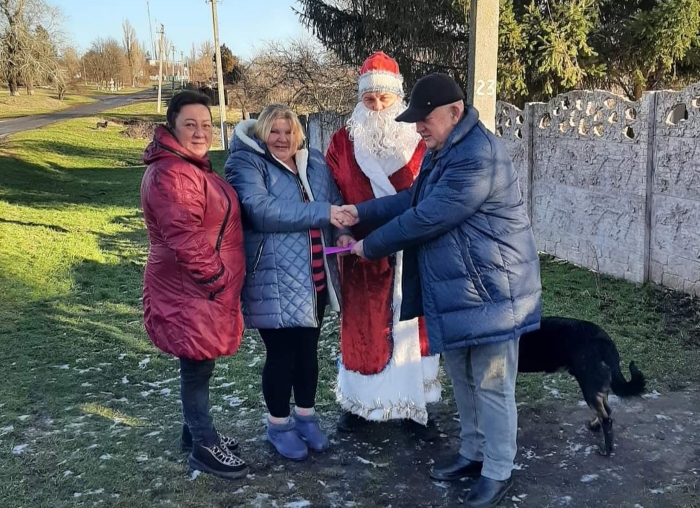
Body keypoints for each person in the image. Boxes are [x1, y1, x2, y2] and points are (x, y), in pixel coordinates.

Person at [343, 74, 542, 508]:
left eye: (424, 119)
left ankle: (498, 469)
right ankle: (473, 452)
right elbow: (411, 200)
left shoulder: (478, 156)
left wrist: (368, 245)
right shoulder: (443, 150)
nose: (417, 128)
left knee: (491, 385)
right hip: (459, 291)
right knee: (463, 378)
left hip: (493, 293)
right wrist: (359, 211)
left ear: (454, 113)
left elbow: (428, 217)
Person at [224, 104, 353, 462]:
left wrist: (341, 231)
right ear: (262, 134)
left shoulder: (312, 162)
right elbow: (261, 211)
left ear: (299, 134)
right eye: (274, 131)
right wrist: (322, 213)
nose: (282, 138)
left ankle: (307, 418)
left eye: (288, 131)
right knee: (281, 355)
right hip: (273, 279)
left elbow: (336, 202)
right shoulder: (246, 164)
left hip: (315, 278)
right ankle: (278, 424)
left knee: (308, 353)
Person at [325, 51, 442, 436]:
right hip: (361, 256)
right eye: (369, 99)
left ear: (399, 98)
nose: (377, 106)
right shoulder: (342, 143)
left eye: (385, 98)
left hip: (413, 253)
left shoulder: (422, 141)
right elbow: (330, 195)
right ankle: (361, 406)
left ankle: (413, 405)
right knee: (363, 331)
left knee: (412, 329)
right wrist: (340, 231)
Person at [141, 91, 248, 480]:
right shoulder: (173, 173)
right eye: (190, 124)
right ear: (172, 126)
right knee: (196, 366)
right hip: (193, 288)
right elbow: (185, 237)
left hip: (197, 288)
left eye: (205, 124)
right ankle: (204, 443)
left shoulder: (190, 167)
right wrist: (219, 279)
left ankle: (194, 432)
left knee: (198, 362)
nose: (200, 132)